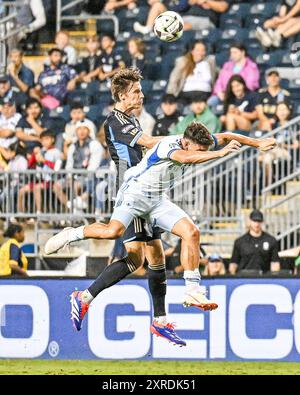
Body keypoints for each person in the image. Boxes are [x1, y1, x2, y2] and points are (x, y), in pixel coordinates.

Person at [45, 122, 276, 341]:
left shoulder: (194, 142)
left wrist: (257, 143)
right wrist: (219, 154)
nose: (204, 151)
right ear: (187, 142)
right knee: (114, 233)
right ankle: (72, 234)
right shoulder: (171, 146)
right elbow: (188, 158)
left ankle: (191, 292)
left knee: (190, 233)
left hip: (156, 201)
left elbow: (226, 136)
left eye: (207, 148)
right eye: (200, 149)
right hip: (134, 196)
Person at [48, 67, 189, 347]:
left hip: (143, 188)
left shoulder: (129, 119)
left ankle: (90, 298)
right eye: (136, 91)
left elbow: (146, 149)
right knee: (142, 254)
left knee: (147, 258)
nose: (142, 94)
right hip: (132, 191)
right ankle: (76, 236)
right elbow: (149, 143)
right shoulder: (116, 121)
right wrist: (183, 143)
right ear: (123, 95)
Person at [18, 130, 62, 213]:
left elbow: (57, 168)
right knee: (22, 190)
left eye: (47, 139)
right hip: (38, 180)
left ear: (52, 139)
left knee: (37, 188)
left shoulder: (57, 152)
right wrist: (34, 155)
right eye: (42, 140)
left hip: (51, 180)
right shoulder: (41, 151)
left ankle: (39, 212)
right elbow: (30, 165)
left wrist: (44, 161)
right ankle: (21, 214)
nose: (44, 142)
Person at [208, 43, 260, 110]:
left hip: (241, 96)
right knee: (211, 102)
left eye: (235, 52)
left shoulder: (251, 67)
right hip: (224, 95)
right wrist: (219, 92)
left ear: (243, 52)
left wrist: (234, 93)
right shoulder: (227, 65)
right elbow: (219, 81)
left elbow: (251, 84)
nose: (232, 55)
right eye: (231, 53)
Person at [229, 209, 281, 275]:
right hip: (244, 278)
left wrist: (274, 277)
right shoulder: (240, 241)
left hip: (264, 278)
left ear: (262, 222)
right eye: (254, 221)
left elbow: (275, 263)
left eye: (259, 221)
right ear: (249, 221)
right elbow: (234, 263)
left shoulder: (271, 240)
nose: (257, 224)